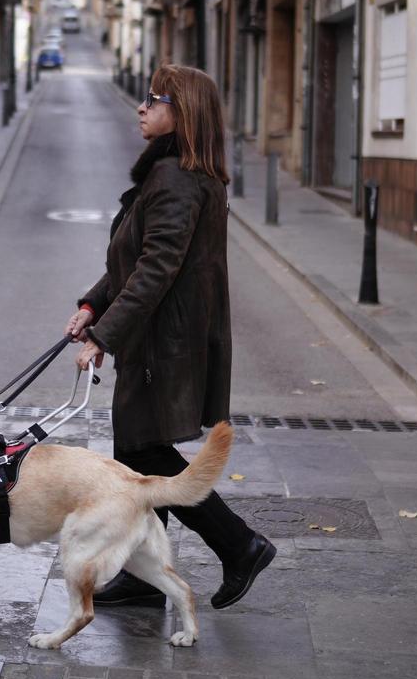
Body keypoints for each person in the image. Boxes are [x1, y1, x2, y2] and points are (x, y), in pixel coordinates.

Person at [64, 64, 276, 610]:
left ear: (183, 114)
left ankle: (240, 545)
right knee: (138, 455)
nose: (142, 107)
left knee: (147, 455)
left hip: (165, 340)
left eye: (155, 100)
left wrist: (104, 336)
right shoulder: (170, 174)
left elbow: (156, 270)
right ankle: (144, 572)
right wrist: (93, 306)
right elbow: (132, 260)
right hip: (157, 335)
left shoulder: (178, 180)